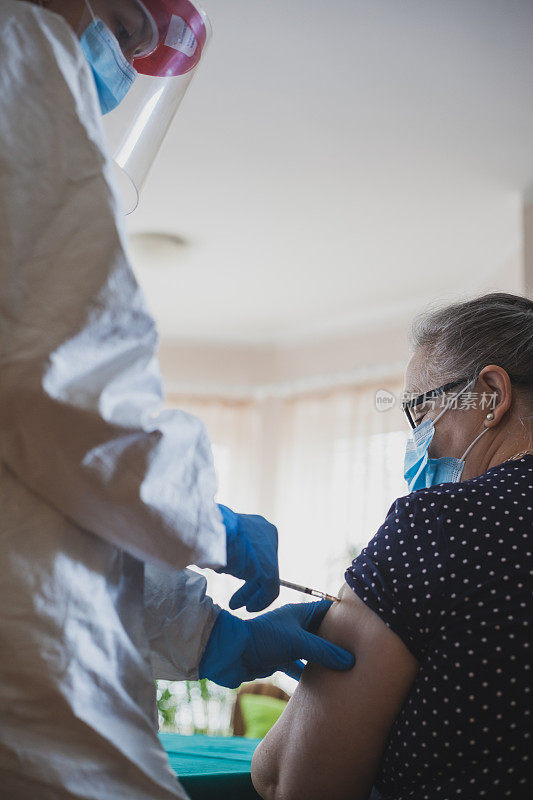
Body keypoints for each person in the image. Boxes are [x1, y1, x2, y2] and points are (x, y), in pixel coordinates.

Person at [0, 2, 354, 798]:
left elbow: (52, 493)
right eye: (124, 23)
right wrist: (208, 521)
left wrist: (208, 635)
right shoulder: (17, 45)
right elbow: (71, 398)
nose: (125, 59)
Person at [251, 292, 533, 800]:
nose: (417, 438)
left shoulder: (440, 523)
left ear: (491, 394)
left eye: (421, 410)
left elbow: (286, 782)